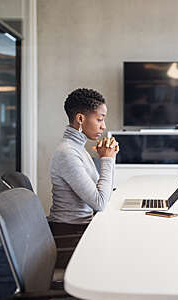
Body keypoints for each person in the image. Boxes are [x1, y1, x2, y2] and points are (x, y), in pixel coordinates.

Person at [49, 88, 119, 241]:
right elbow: (99, 203)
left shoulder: (78, 149)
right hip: (71, 234)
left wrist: (107, 158)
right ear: (80, 119)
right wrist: (108, 159)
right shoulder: (67, 153)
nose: (103, 126)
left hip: (82, 227)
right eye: (100, 119)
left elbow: (102, 195)